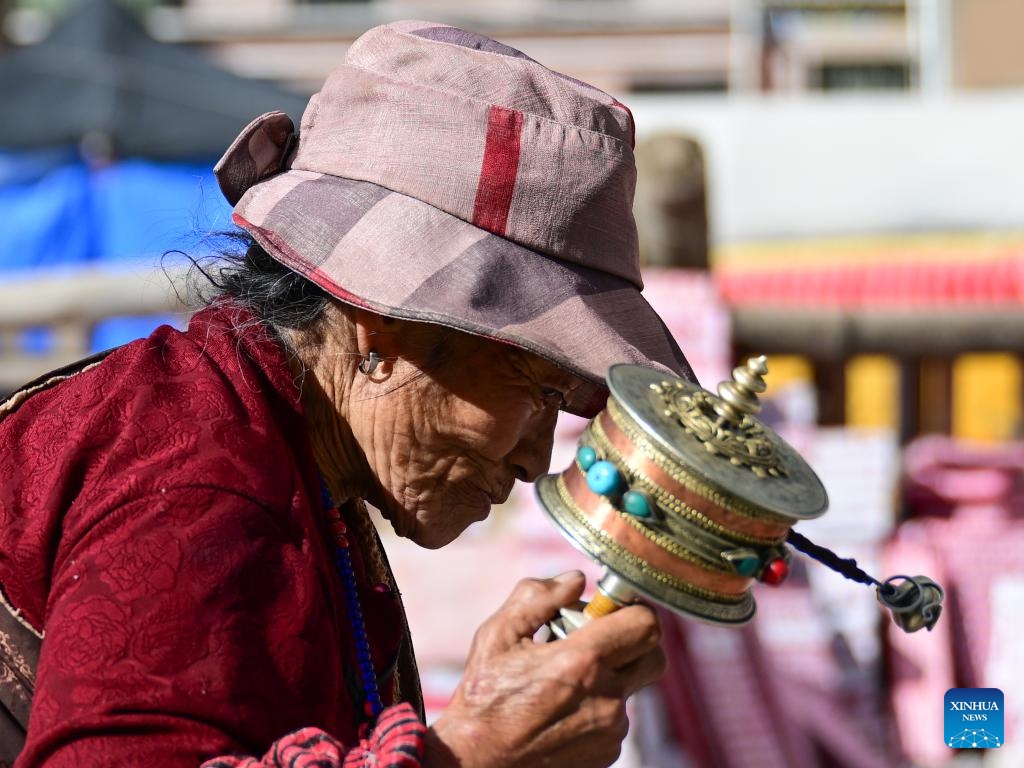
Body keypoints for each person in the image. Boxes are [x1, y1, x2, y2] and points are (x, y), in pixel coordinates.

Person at [0, 21, 695, 768]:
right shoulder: (199, 479)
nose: (535, 458)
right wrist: (467, 755)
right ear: (383, 324)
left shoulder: (279, 449)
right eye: (539, 388)